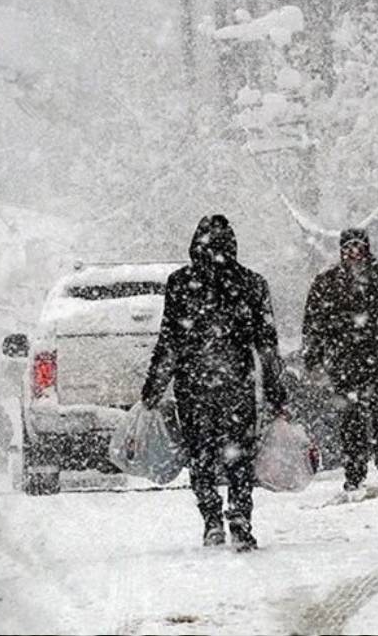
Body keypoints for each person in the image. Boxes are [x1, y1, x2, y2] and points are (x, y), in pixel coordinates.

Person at [140, 215, 286, 552]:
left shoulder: (180, 283)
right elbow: (266, 344)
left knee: (201, 454)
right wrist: (276, 391)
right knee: (239, 456)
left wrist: (154, 387)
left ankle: (211, 520)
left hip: (194, 385)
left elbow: (170, 342)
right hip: (236, 383)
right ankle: (240, 518)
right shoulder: (251, 283)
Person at [302, 228, 378, 490]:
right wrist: (313, 358)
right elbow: (314, 324)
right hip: (344, 360)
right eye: (348, 247)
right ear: (341, 250)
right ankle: (355, 472)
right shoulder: (327, 282)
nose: (354, 253)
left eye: (358, 246)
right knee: (351, 419)